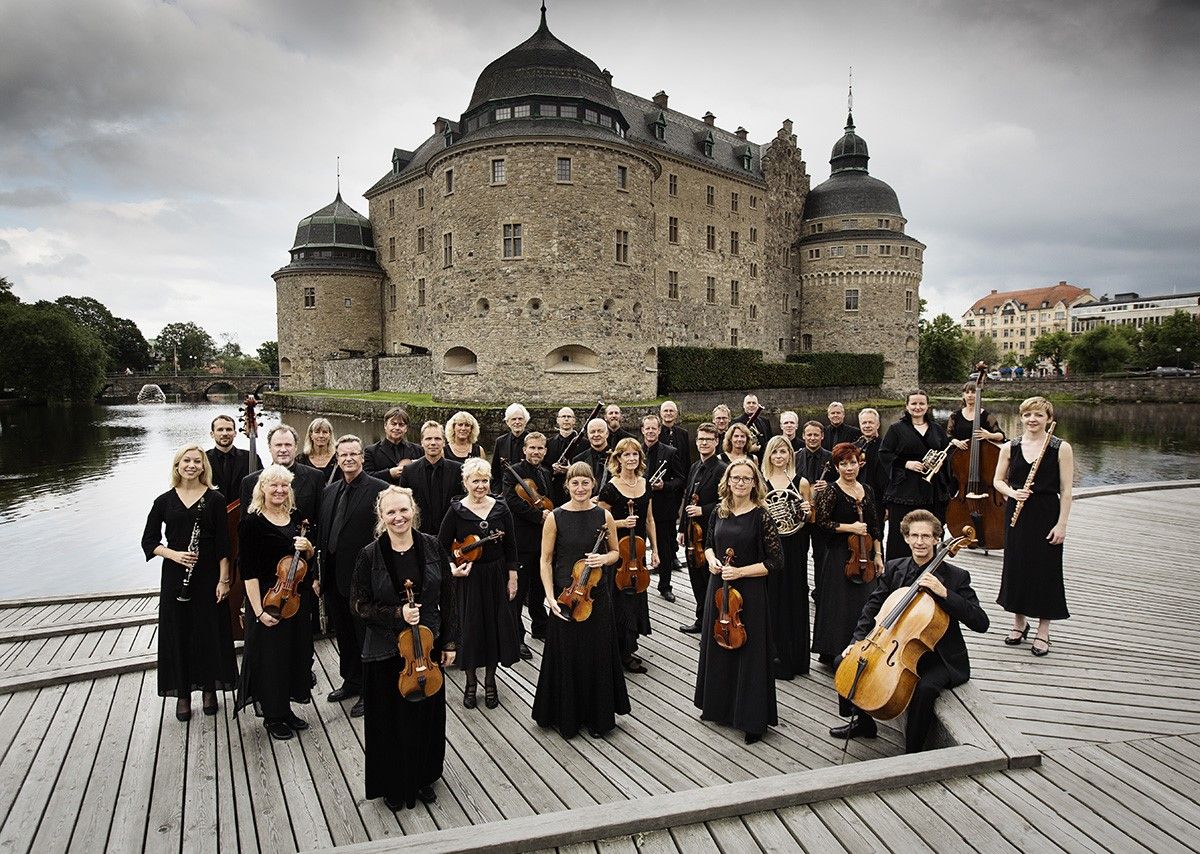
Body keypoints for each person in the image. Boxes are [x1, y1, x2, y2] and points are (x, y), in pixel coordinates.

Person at [831, 510, 989, 753]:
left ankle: (912, 750)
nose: (919, 542)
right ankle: (864, 722)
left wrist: (945, 593)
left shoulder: (956, 577)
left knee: (925, 689)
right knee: (844, 660)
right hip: (894, 647)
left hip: (938, 656)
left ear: (937, 539)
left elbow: (981, 622)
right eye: (914, 535)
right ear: (905, 538)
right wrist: (856, 640)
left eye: (926, 536)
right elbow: (871, 608)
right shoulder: (894, 569)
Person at [352, 486, 457, 811]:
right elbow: (358, 604)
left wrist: (450, 641)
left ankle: (424, 776)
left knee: (425, 715)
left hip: (427, 646)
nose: (398, 517)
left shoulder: (432, 545)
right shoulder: (370, 554)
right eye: (391, 513)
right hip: (385, 651)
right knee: (389, 720)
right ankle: (393, 784)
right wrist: (397, 614)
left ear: (413, 510)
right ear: (382, 517)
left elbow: (450, 597)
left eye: (403, 510)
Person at [532, 462, 629, 738]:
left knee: (596, 655)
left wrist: (604, 558)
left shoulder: (604, 516)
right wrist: (549, 597)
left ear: (593, 485)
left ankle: (597, 718)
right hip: (566, 596)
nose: (580, 488)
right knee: (567, 656)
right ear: (567, 486)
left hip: (596, 597)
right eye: (575, 483)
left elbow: (615, 553)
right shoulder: (556, 517)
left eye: (585, 483)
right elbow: (546, 559)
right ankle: (567, 717)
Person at [142, 444, 237, 721]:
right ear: (177, 465)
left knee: (208, 631)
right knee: (178, 632)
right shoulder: (163, 501)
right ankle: (182, 693)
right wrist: (174, 555)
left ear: (203, 467)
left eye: (197, 461)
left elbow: (223, 545)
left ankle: (209, 688)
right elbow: (149, 541)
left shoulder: (215, 499)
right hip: (175, 576)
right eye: (186, 461)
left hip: (208, 575)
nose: (192, 465)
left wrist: (224, 580)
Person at [694, 460, 782, 744]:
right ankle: (720, 707)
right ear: (728, 481)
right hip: (719, 589)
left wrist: (740, 571)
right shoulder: (718, 511)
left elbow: (776, 562)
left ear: (755, 483)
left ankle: (752, 719)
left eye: (746, 479)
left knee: (750, 653)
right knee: (719, 648)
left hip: (750, 593)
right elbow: (708, 544)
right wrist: (711, 561)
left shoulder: (762, 516)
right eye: (736, 478)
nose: (740, 483)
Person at [235, 465, 316, 740]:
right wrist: (258, 611)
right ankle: (272, 716)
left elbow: (308, 560)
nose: (280, 490)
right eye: (274, 486)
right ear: (263, 489)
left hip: (294, 599)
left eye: (284, 486)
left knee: (294, 654)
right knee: (271, 658)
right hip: (268, 601)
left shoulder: (295, 517)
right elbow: (248, 572)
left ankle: (285, 709)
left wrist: (309, 549)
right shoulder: (251, 523)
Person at [994, 396, 1073, 657]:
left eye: (1038, 415)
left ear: (1048, 418)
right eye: (1028, 415)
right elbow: (998, 481)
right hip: (1017, 514)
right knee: (1017, 567)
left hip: (1046, 513)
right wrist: (1013, 493)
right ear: (1021, 418)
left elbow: (1066, 490)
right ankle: (1019, 624)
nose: (1032, 420)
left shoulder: (1061, 448)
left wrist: (1062, 524)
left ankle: (1043, 630)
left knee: (1045, 570)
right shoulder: (1010, 447)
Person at [438, 458, 519, 708]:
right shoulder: (457, 509)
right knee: (470, 629)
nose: (481, 485)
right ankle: (471, 684)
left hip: (496, 575)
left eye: (484, 480)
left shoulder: (501, 508)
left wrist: (512, 577)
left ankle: (491, 684)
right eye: (475, 481)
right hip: (469, 578)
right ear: (466, 482)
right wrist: (453, 568)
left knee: (494, 628)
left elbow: (511, 547)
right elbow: (441, 545)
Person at [316, 435, 388, 716]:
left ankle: (370, 691)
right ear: (337, 458)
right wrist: (317, 574)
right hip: (333, 576)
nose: (348, 459)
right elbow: (323, 534)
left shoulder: (379, 490)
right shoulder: (329, 491)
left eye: (353, 454)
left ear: (362, 457)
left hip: (364, 578)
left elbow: (384, 537)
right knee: (343, 633)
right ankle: (351, 681)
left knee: (365, 637)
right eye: (343, 455)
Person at [812, 442, 885, 666]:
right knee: (840, 604)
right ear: (836, 467)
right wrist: (850, 527)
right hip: (839, 556)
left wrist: (878, 555)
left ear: (859, 464)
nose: (849, 468)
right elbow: (822, 523)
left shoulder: (868, 490)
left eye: (852, 463)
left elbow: (875, 526)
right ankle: (835, 651)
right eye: (843, 464)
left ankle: (863, 647)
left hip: (866, 555)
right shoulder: (831, 491)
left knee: (866, 600)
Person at [597, 438, 659, 674]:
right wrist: (622, 522)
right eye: (627, 455)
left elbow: (649, 519)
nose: (631, 459)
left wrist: (656, 550)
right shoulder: (610, 488)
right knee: (619, 600)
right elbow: (600, 522)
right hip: (618, 553)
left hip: (639, 552)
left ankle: (630, 646)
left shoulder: (645, 483)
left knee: (635, 598)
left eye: (635, 455)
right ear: (619, 458)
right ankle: (620, 651)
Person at [761, 436, 813, 679]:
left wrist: (806, 509)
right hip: (772, 545)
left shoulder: (801, 482)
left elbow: (810, 518)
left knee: (795, 595)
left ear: (790, 455)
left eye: (783, 452)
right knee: (773, 597)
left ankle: (796, 658)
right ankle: (775, 656)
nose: (779, 456)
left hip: (794, 544)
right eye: (775, 453)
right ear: (769, 456)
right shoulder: (761, 483)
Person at [879, 390, 951, 561]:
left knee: (929, 532)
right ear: (907, 406)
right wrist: (906, 463)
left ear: (927, 406)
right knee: (900, 537)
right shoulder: (896, 429)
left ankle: (927, 573)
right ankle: (897, 574)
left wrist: (942, 463)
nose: (917, 407)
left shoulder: (937, 430)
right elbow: (884, 453)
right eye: (914, 404)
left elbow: (946, 453)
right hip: (905, 490)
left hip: (931, 490)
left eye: (921, 404)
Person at [502, 431, 552, 655]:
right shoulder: (513, 472)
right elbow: (510, 501)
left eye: (540, 448)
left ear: (545, 451)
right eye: (532, 448)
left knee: (539, 586)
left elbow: (550, 501)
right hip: (521, 539)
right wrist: (537, 515)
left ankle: (540, 627)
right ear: (524, 450)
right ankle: (517, 636)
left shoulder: (545, 472)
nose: (536, 452)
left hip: (543, 540)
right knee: (519, 591)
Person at [677, 423, 727, 633]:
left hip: (711, 532)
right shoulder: (695, 466)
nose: (704, 443)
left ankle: (712, 620)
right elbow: (688, 497)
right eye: (701, 439)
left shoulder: (722, 469)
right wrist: (681, 528)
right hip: (692, 535)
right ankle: (701, 619)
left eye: (708, 439)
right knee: (695, 578)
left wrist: (703, 511)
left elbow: (727, 502)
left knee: (709, 579)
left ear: (716, 442)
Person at [239, 424, 323, 527]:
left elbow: (320, 521)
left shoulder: (316, 477)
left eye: (288, 445)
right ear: (270, 447)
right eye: (278, 445)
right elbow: (244, 527)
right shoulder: (249, 482)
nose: (283, 450)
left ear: (296, 447)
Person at [642, 413, 683, 602]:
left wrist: (664, 486)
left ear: (659, 430)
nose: (650, 431)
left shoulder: (670, 452)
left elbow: (681, 479)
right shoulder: (635, 451)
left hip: (662, 509)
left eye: (654, 428)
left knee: (665, 550)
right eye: (647, 428)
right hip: (639, 508)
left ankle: (665, 586)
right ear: (642, 430)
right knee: (637, 547)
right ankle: (639, 583)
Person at [398, 421, 464, 536]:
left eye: (437, 439)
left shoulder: (457, 470)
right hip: (419, 535)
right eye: (428, 439)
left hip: (451, 534)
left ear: (444, 442)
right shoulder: (409, 471)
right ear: (421, 442)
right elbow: (403, 505)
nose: (433, 443)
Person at [796, 420, 835, 598]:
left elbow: (840, 482)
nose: (812, 438)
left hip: (823, 514)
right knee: (799, 555)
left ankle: (821, 591)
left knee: (822, 555)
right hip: (800, 515)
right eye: (809, 434)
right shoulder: (795, 457)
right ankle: (799, 590)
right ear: (803, 436)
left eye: (816, 435)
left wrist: (828, 484)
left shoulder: (832, 457)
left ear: (822, 436)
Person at [364, 406, 422, 484]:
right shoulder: (371, 451)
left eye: (401, 425)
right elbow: (366, 477)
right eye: (393, 424)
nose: (397, 428)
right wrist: (389, 474)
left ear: (406, 428)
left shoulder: (418, 450)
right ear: (385, 426)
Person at [206, 414, 255, 502]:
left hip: (243, 512)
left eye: (229, 429)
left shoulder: (250, 457)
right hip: (212, 512)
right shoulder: (203, 459)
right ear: (212, 434)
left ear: (235, 433)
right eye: (220, 430)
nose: (224, 433)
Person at [546, 406, 579, 505]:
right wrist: (552, 469)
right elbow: (543, 467)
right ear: (558, 420)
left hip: (577, 490)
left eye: (569, 416)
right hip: (554, 491)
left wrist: (571, 470)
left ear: (574, 421)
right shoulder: (549, 443)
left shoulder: (584, 443)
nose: (566, 419)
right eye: (563, 416)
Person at [490, 403, 529, 485]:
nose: (517, 422)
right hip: (506, 489)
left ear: (525, 421)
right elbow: (495, 470)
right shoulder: (500, 441)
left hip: (529, 489)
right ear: (507, 422)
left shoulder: (533, 440)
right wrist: (497, 491)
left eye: (520, 419)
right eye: (513, 419)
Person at [857, 408, 887, 505]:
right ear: (860, 425)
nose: (867, 426)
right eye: (864, 423)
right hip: (857, 496)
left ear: (878, 425)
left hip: (879, 498)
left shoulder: (886, 447)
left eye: (871, 422)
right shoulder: (854, 447)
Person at [573, 418, 611, 494]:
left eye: (600, 431)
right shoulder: (578, 460)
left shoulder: (618, 457)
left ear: (607, 434)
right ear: (587, 435)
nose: (596, 435)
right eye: (592, 432)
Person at [296, 417, 338, 484]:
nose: (321, 435)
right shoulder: (301, 460)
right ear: (311, 435)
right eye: (317, 432)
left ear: (330, 435)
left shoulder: (338, 459)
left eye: (325, 432)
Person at [732, 393, 773, 460]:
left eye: (754, 403)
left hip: (764, 460)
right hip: (746, 460)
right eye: (748, 403)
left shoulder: (765, 421)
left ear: (757, 405)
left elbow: (770, 440)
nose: (751, 405)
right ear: (743, 405)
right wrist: (749, 449)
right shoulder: (736, 422)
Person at [659, 400, 692, 471]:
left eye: (671, 411)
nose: (668, 413)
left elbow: (687, 459)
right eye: (665, 411)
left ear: (676, 414)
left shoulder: (684, 433)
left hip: (681, 476)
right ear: (661, 414)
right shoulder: (656, 434)